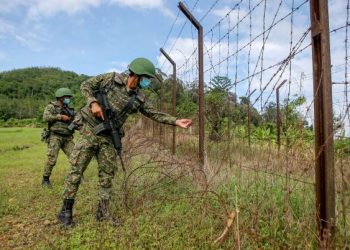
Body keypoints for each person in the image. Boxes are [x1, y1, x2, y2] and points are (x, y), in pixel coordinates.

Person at [57, 58, 192, 226]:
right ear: (135, 74)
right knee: (76, 170)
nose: (147, 82)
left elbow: (154, 113)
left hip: (108, 137)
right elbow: (85, 85)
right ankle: (65, 212)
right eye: (146, 78)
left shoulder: (139, 98)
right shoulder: (110, 79)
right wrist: (93, 103)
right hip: (89, 131)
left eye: (148, 79)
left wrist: (175, 121)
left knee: (107, 175)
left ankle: (103, 212)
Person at [42, 88, 76, 188]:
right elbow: (45, 118)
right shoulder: (51, 106)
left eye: (69, 97)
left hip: (68, 137)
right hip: (55, 136)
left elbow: (75, 121)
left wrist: (74, 123)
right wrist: (59, 117)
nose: (69, 99)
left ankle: (77, 177)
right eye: (67, 97)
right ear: (61, 98)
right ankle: (45, 179)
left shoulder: (70, 109)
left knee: (75, 157)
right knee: (52, 159)